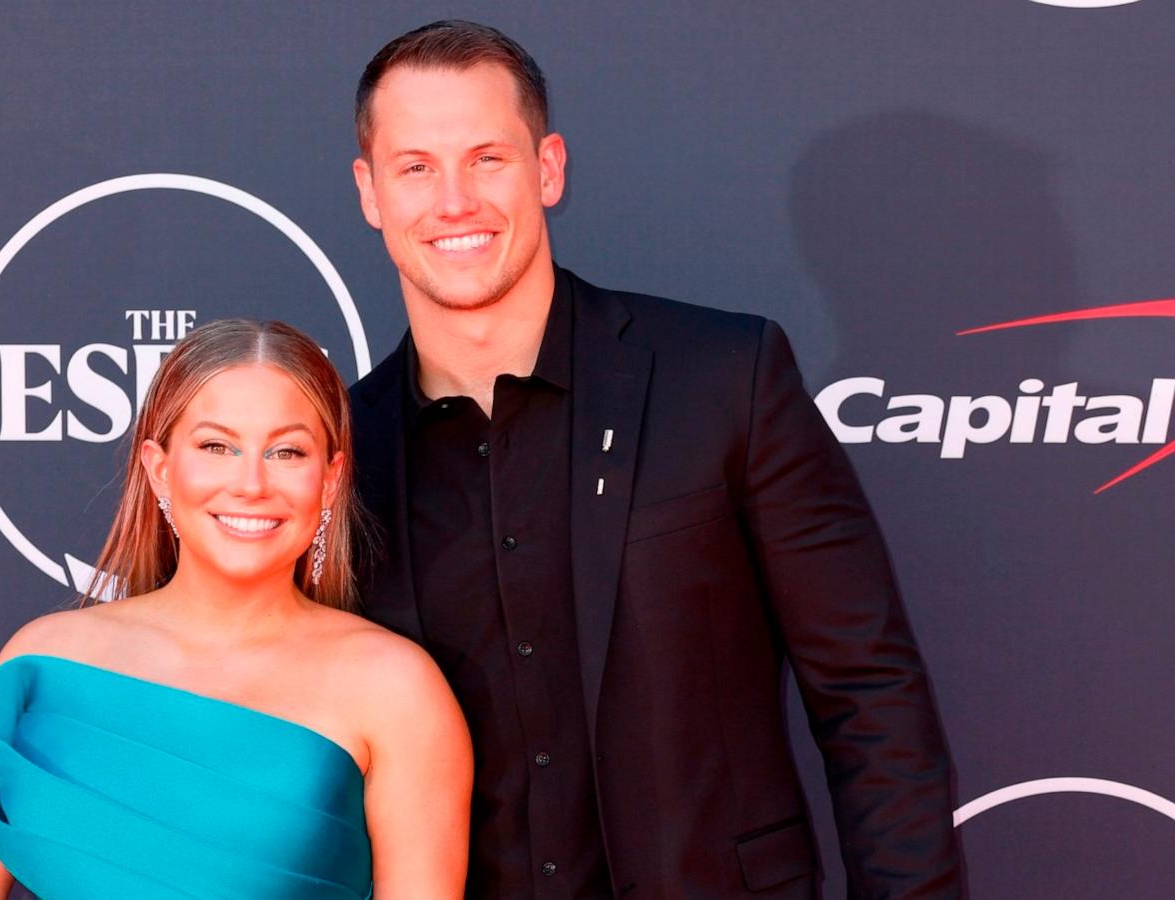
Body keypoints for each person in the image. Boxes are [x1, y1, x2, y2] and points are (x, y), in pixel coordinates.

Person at [347, 20, 960, 899]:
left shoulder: (723, 377)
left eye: (488, 158)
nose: (455, 202)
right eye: (416, 167)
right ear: (370, 192)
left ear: (548, 168)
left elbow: (871, 695)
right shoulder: (341, 453)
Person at [0, 320, 472, 900]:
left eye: (287, 451)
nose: (251, 483)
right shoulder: (43, 662)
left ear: (330, 480)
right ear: (159, 467)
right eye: (217, 446)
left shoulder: (395, 689)